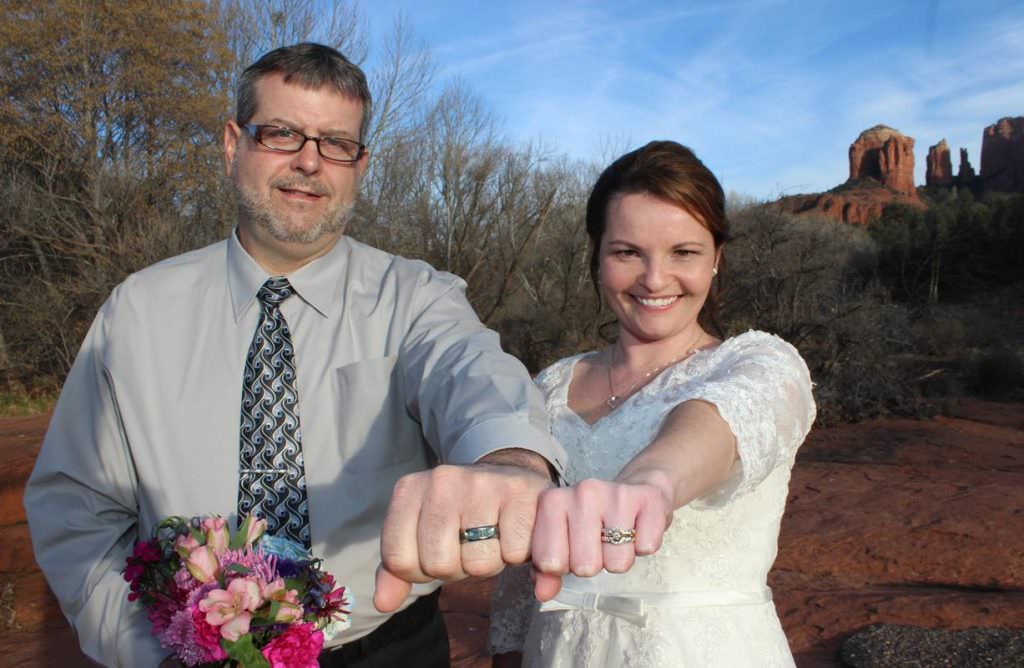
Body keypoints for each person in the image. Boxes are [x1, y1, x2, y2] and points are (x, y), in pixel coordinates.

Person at [24, 43, 565, 667]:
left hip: (383, 649)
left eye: (336, 143)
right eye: (281, 134)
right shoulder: (138, 312)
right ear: (233, 146)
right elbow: (75, 506)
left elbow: (473, 376)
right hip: (185, 650)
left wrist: (511, 461)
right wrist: (149, 649)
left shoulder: (416, 298)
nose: (310, 162)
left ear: (360, 165)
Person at [489, 141, 816, 667]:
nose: (655, 279)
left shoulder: (760, 363)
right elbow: (521, 570)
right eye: (628, 252)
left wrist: (654, 483)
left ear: (716, 260)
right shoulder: (549, 384)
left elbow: (719, 420)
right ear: (597, 257)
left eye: (683, 253)